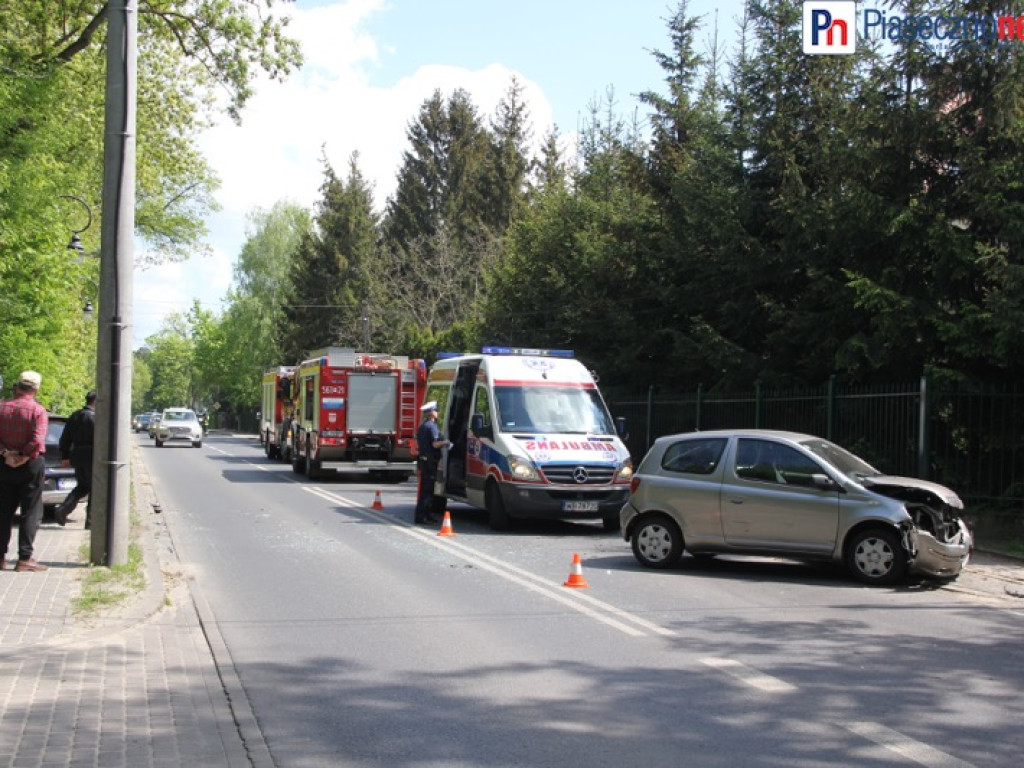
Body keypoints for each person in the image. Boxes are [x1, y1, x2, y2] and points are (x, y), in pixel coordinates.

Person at [0, 371, 49, 571]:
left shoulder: (2, 407)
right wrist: (24, 456)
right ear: (36, 389)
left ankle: (0, 557)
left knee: (3, 511)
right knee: (30, 511)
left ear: (17, 386)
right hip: (30, 465)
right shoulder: (38, 411)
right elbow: (37, 440)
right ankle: (24, 559)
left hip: (4, 463)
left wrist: (6, 454)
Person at [55, 389, 96, 529]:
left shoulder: (75, 416)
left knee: (83, 486)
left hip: (77, 456)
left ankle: (62, 510)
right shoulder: (96, 418)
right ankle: (91, 522)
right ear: (95, 402)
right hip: (93, 456)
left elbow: (65, 438)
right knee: (95, 488)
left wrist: (65, 456)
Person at [415, 401, 449, 525]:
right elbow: (435, 444)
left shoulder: (424, 426)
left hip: (425, 461)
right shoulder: (431, 426)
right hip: (429, 463)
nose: (438, 412)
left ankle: (427, 515)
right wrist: (445, 443)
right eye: (436, 410)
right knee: (427, 491)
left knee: (427, 490)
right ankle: (421, 516)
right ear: (431, 413)